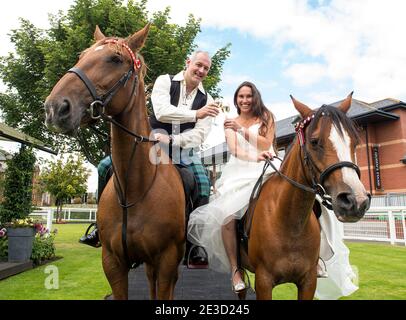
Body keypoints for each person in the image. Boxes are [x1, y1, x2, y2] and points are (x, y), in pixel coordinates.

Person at [80, 51, 220, 268]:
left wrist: (173, 138)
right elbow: (162, 112)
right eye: (198, 65)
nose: (201, 71)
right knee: (104, 166)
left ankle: (194, 245)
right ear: (188, 63)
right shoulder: (165, 81)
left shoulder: (208, 99)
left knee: (202, 184)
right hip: (149, 141)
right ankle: (99, 227)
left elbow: (199, 135)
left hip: (182, 148)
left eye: (206, 68)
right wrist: (196, 114)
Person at [187, 81, 280, 292]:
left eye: (248, 96)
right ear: (236, 99)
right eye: (241, 97)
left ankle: (316, 254)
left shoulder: (267, 116)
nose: (245, 100)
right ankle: (236, 270)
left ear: (255, 97)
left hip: (269, 164)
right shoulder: (230, 122)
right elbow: (236, 150)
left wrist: (244, 132)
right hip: (240, 170)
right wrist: (254, 156)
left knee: (305, 196)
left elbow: (267, 143)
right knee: (227, 217)